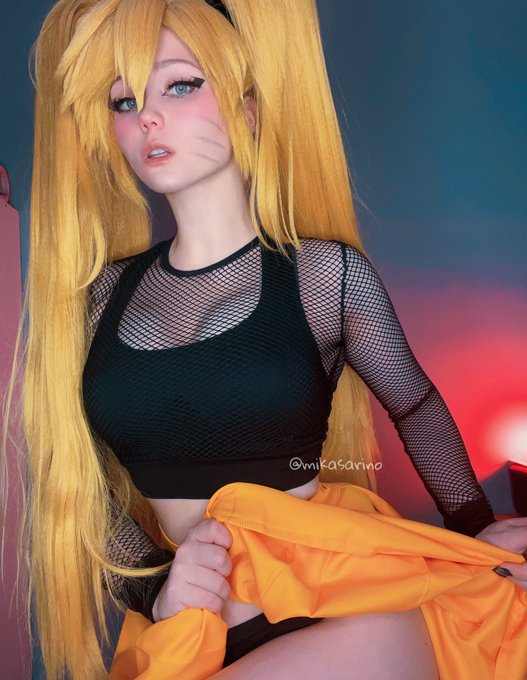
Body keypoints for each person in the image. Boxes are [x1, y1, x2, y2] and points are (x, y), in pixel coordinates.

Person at [2, 0, 526, 679]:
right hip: (190, 628)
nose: (147, 117)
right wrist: (154, 590)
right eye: (123, 101)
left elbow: (415, 404)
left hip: (342, 605)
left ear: (247, 106)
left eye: (179, 85)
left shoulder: (323, 276)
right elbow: (81, 483)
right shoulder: (101, 295)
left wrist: (473, 527)